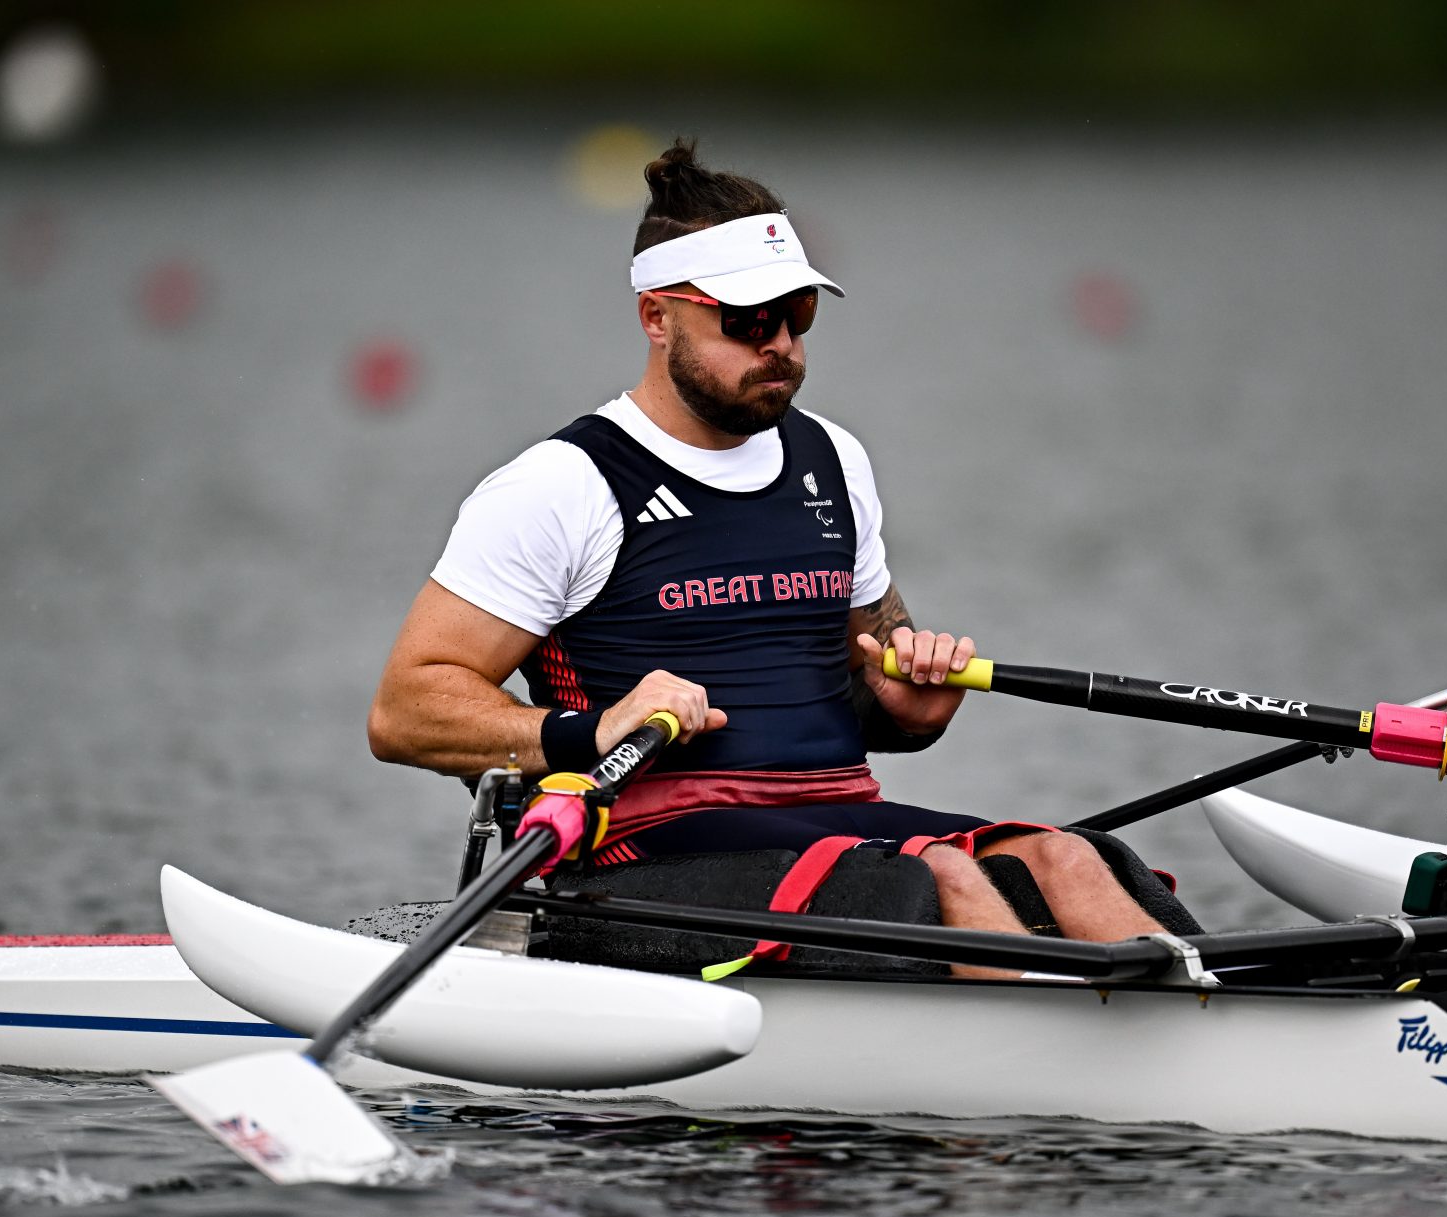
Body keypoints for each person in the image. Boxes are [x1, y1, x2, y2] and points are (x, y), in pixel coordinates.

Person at [368, 139, 1165, 975]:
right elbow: (405, 710)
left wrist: (906, 707)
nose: (781, 344)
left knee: (1074, 858)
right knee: (936, 876)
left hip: (833, 819)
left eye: (799, 316)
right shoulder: (562, 486)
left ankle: (1198, 1019)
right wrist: (595, 729)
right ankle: (1055, 1064)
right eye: (749, 322)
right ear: (656, 316)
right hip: (646, 848)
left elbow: (865, 693)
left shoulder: (833, 461)